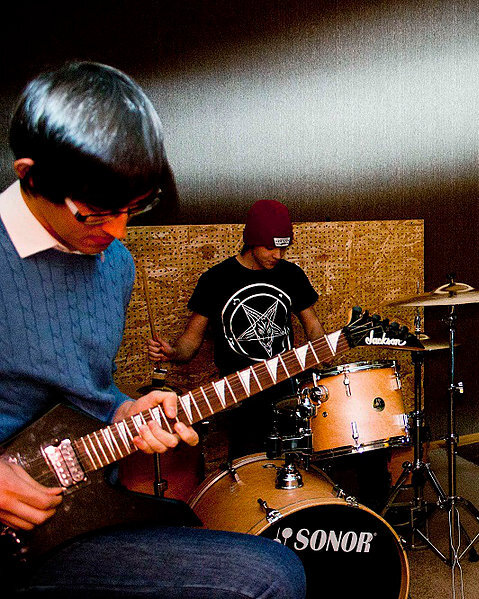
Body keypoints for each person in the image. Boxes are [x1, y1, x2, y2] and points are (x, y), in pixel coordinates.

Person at [0, 61, 305, 598]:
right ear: (30, 175)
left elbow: (81, 393)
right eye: (96, 212)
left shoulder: (115, 264)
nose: (118, 231)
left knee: (274, 575)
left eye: (134, 208)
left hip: (74, 516)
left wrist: (125, 412)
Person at [147, 199, 325, 458]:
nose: (278, 255)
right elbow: (191, 341)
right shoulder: (216, 279)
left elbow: (313, 326)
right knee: (249, 470)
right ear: (251, 241)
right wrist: (172, 353)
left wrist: (323, 352)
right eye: (270, 247)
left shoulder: (291, 275)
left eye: (283, 248)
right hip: (240, 395)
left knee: (297, 467)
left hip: (286, 392)